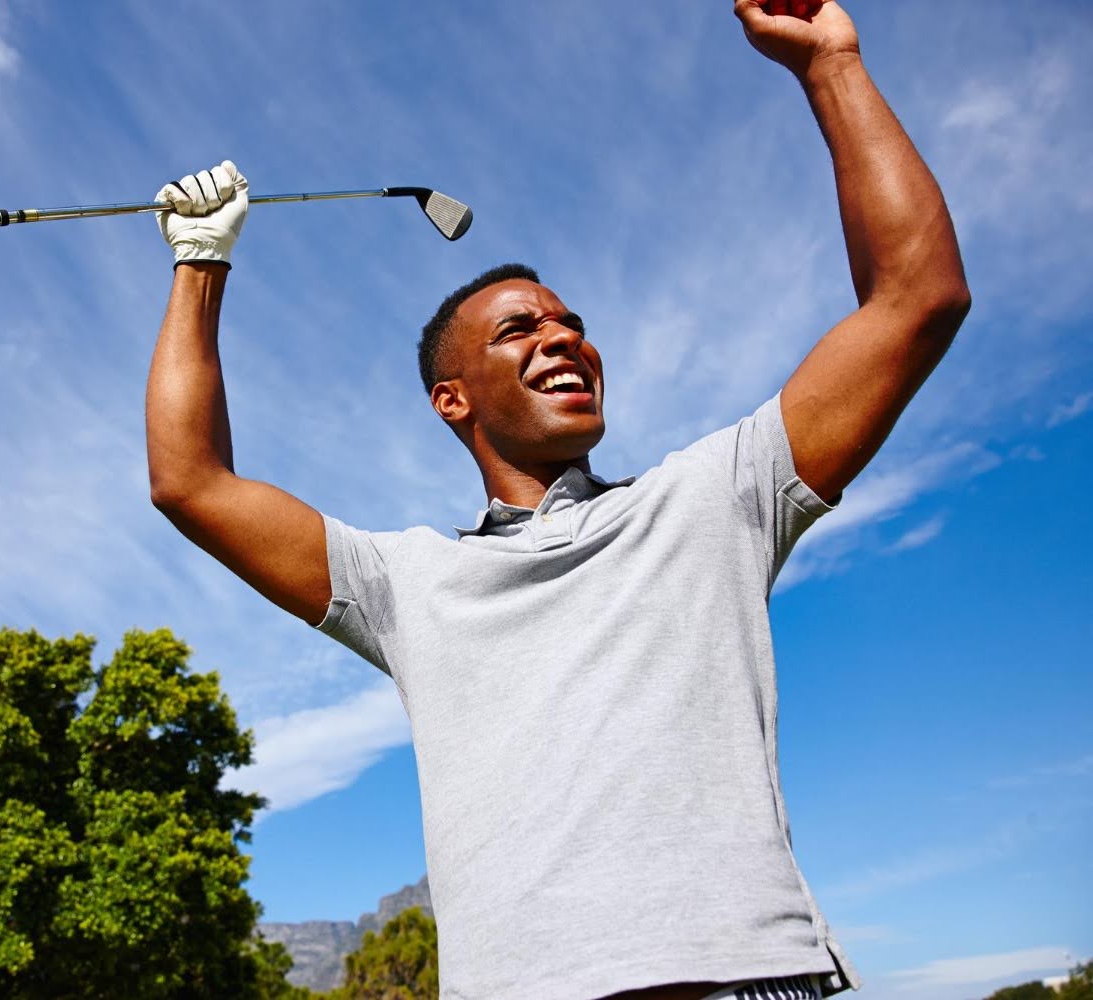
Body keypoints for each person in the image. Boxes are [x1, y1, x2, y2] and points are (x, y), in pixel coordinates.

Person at [144, 2, 969, 998]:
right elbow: (191, 480)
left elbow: (917, 295)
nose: (562, 335)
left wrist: (830, 62)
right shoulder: (406, 580)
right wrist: (200, 265)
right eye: (519, 328)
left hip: (745, 978)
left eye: (572, 322)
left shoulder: (715, 498)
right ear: (451, 399)